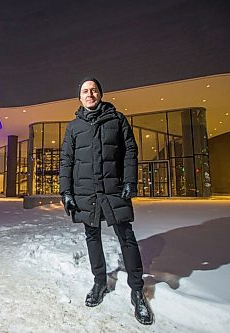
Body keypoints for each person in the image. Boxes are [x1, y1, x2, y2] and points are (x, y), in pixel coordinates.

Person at [59, 77, 153, 325]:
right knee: (92, 235)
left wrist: (130, 181)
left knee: (126, 235)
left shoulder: (117, 119)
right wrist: (65, 191)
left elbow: (130, 152)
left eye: (93, 90)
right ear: (79, 97)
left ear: (101, 94)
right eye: (85, 91)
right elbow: (66, 161)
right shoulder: (73, 127)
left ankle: (137, 291)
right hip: (85, 191)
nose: (89, 94)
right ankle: (99, 282)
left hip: (114, 188)